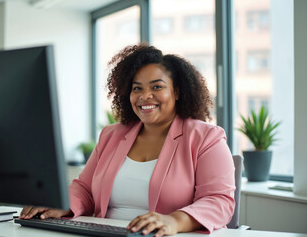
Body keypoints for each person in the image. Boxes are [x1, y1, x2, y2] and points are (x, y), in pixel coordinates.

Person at [20, 44, 235, 236]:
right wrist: (63, 205)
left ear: (177, 92)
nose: (144, 96)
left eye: (157, 87)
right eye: (137, 88)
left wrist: (174, 220)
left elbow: (219, 201)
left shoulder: (206, 137)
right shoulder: (111, 135)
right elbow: (84, 188)